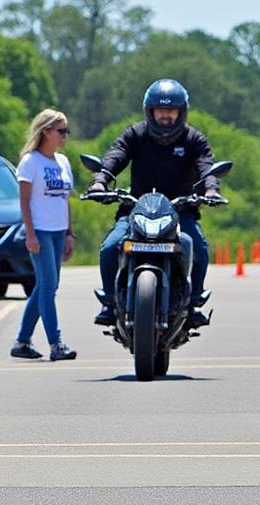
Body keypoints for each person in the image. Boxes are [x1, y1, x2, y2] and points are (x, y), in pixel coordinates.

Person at [88, 78, 225, 328]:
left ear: (181, 112)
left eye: (171, 111)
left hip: (179, 210)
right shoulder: (135, 134)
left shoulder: (193, 139)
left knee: (197, 246)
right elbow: (116, 156)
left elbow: (206, 165)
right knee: (109, 247)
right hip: (136, 209)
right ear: (150, 111)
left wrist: (211, 188)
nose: (165, 116)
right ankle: (109, 303)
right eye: (160, 111)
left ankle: (193, 303)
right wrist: (100, 181)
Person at [10, 109, 79, 362]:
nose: (65, 136)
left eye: (66, 131)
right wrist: (30, 234)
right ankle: (55, 343)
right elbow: (25, 201)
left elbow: (66, 200)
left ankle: (22, 341)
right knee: (48, 286)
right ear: (46, 131)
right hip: (39, 230)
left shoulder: (62, 162)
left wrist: (70, 233)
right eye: (61, 131)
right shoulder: (31, 162)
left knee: (46, 287)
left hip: (59, 230)